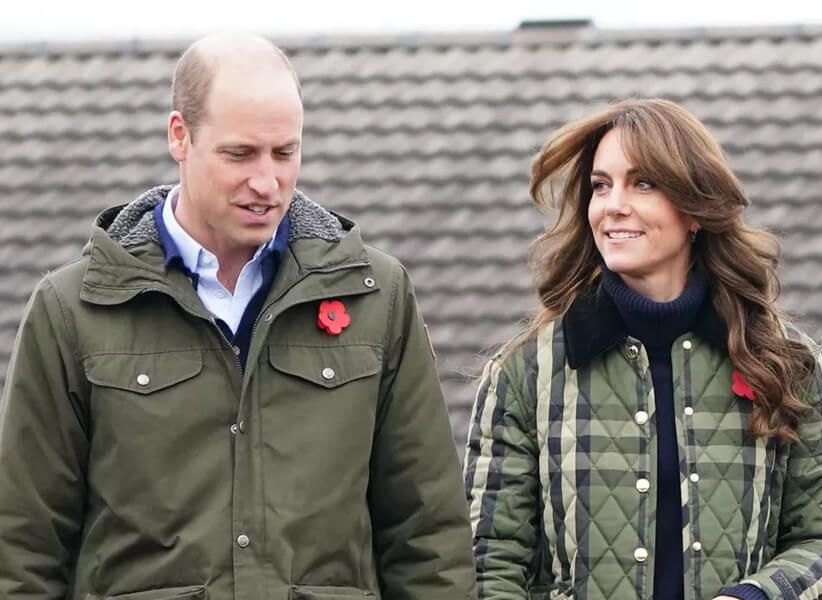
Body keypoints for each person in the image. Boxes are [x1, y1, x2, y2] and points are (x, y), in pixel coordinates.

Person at [0, 32, 476, 600]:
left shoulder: (377, 297)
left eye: (285, 152)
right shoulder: (72, 310)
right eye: (240, 154)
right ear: (180, 136)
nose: (266, 182)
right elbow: (22, 549)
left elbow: (428, 538)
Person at [463, 98, 822, 600]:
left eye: (643, 183)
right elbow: (488, 562)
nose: (613, 204)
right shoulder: (525, 372)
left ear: (696, 210)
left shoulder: (785, 362)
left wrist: (756, 597)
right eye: (601, 185)